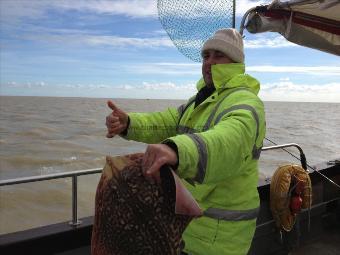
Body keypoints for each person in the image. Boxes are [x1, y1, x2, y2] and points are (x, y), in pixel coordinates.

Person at [105, 28, 266, 255]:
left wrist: (176, 150)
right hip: (185, 226)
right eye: (205, 56)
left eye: (218, 55)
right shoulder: (198, 101)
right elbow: (164, 122)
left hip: (220, 236)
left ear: (235, 62)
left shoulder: (247, 103)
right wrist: (129, 123)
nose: (209, 62)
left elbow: (230, 141)